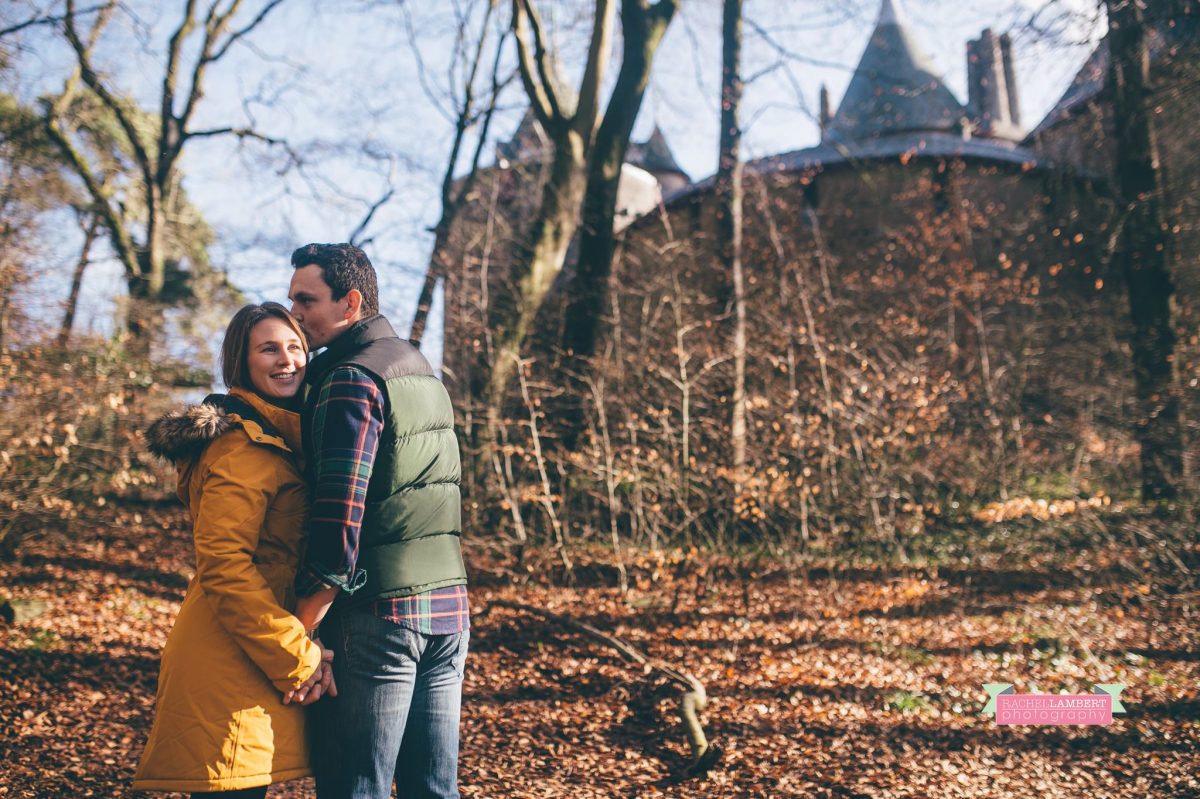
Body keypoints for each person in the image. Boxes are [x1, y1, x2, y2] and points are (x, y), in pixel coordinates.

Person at [287, 242, 470, 799]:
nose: (295, 312)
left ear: (351, 302)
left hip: (376, 614)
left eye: (306, 299)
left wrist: (306, 616)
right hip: (449, 610)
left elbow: (342, 509)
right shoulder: (420, 370)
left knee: (354, 788)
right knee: (432, 790)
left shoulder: (349, 377)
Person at [134, 303, 336, 798]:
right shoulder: (242, 448)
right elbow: (224, 567)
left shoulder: (279, 440)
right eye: (268, 349)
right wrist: (298, 655)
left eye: (295, 347)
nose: (287, 359)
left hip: (251, 652)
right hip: (229, 659)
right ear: (240, 363)